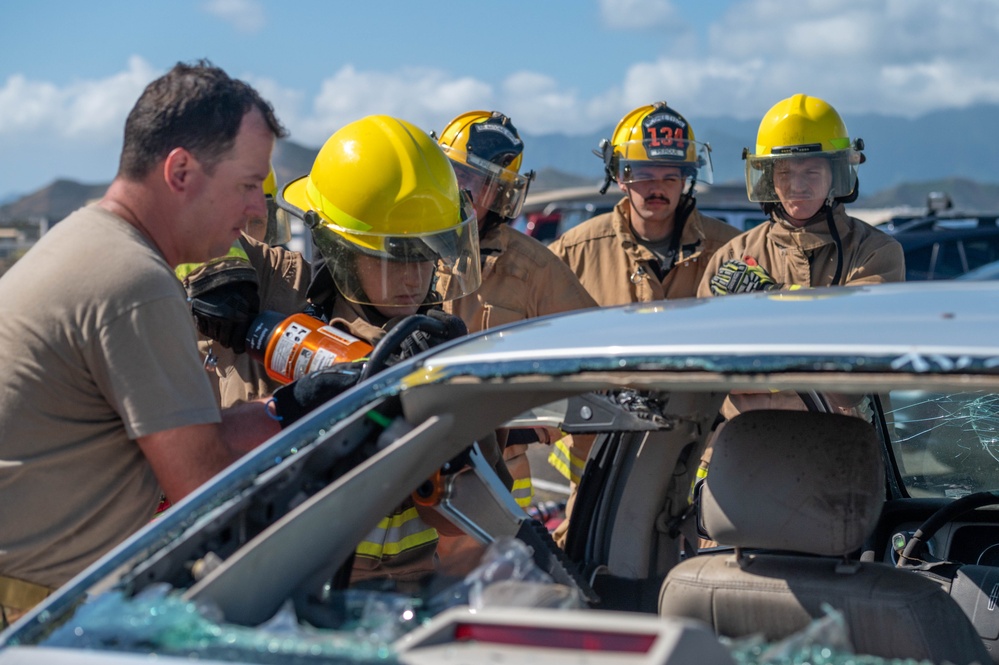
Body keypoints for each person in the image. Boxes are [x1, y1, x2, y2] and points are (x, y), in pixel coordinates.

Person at [0, 61, 293, 626]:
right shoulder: (135, 285)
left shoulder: (89, 244)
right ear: (180, 171)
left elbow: (185, 444)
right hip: (52, 626)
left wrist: (291, 407)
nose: (258, 208)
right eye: (248, 185)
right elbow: (204, 488)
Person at [274, 114, 481, 583]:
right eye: (391, 257)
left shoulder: (443, 352)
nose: (414, 278)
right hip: (296, 596)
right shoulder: (293, 328)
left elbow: (460, 518)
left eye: (426, 254)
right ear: (340, 251)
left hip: (409, 601)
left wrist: (446, 415)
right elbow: (212, 236)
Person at [546, 103, 739, 542]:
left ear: (687, 177)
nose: (658, 188)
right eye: (645, 175)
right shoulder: (574, 253)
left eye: (670, 176)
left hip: (702, 457)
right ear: (621, 176)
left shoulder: (729, 252)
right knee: (586, 561)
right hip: (602, 463)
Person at [436, 110, 597, 508]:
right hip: (416, 463)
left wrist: (539, 425)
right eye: (458, 175)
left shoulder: (534, 268)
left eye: (482, 183)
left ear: (501, 194)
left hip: (499, 480)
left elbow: (594, 355)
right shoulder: (403, 249)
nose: (466, 192)